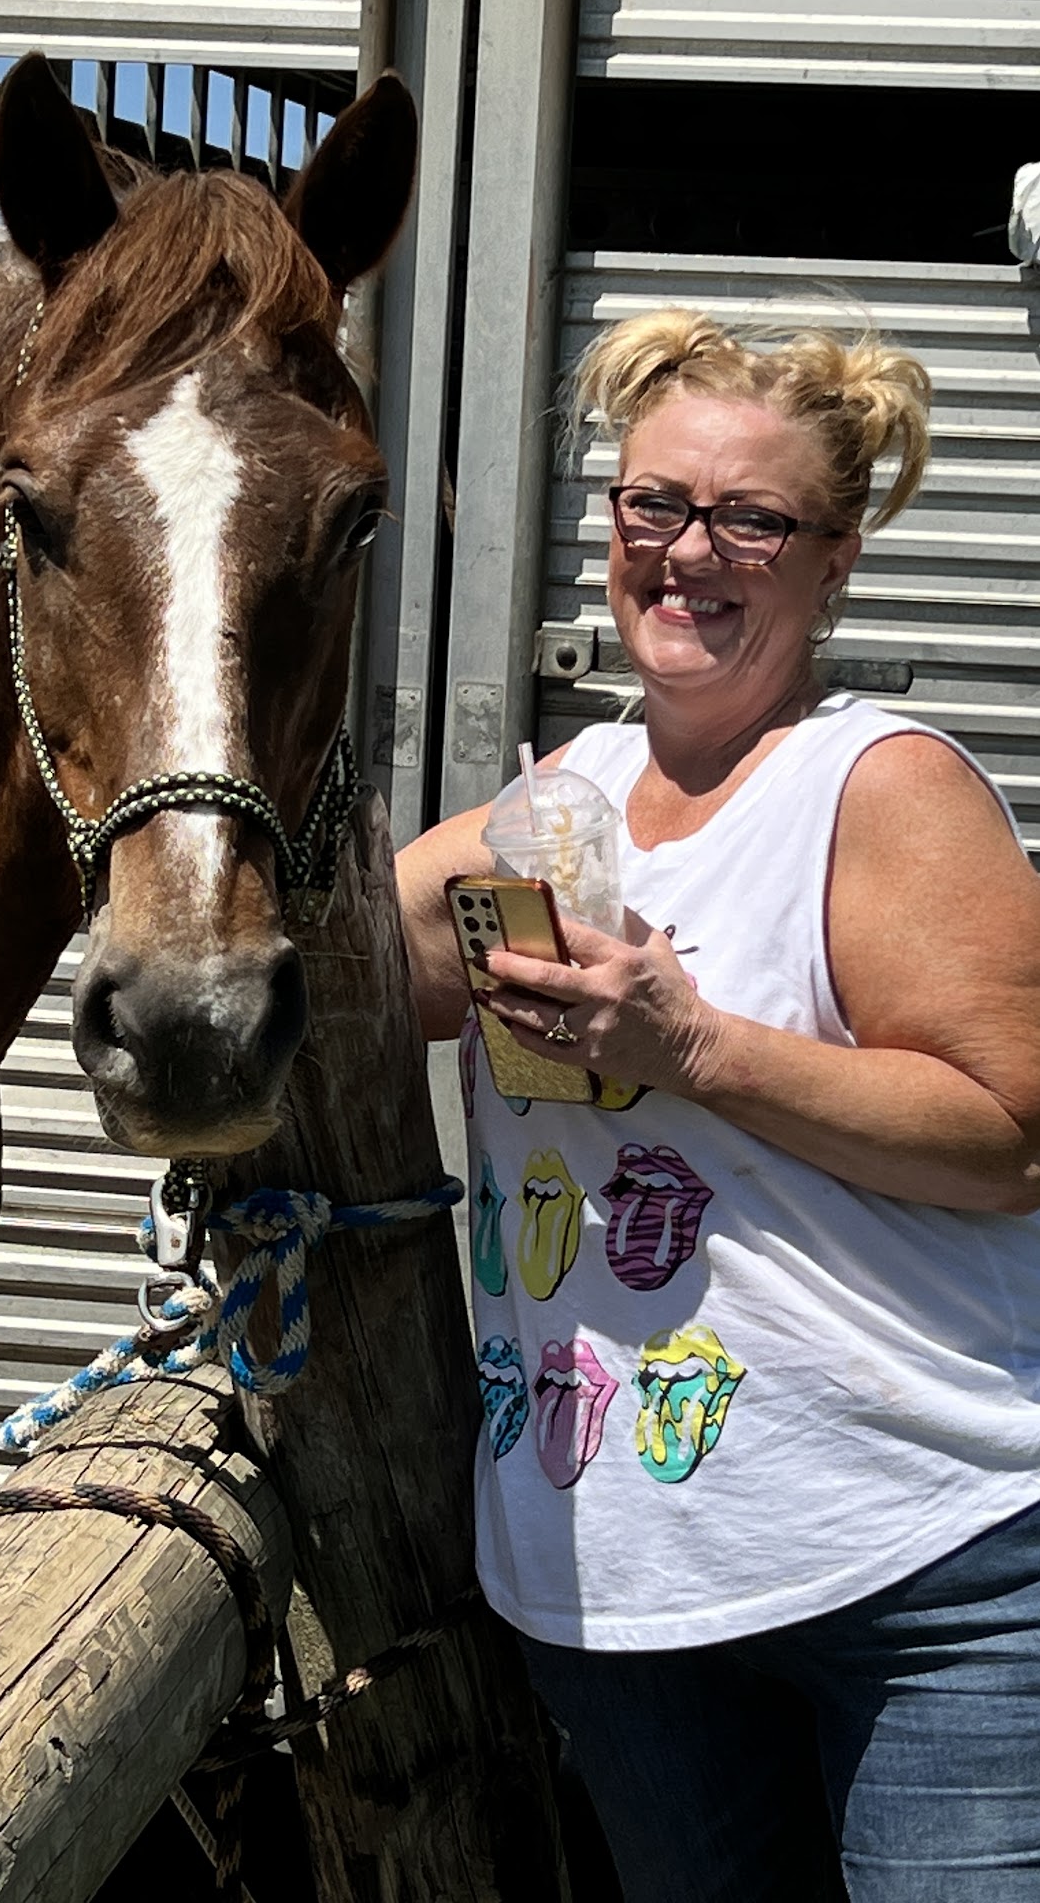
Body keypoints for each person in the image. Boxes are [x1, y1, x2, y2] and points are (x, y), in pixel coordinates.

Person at [397, 309, 1040, 1901]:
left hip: (930, 1567)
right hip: (627, 1584)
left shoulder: (881, 783)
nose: (689, 553)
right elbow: (320, 966)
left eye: (752, 519)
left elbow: (1016, 1141)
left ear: (836, 560)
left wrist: (696, 1047)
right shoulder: (556, 808)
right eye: (654, 504)